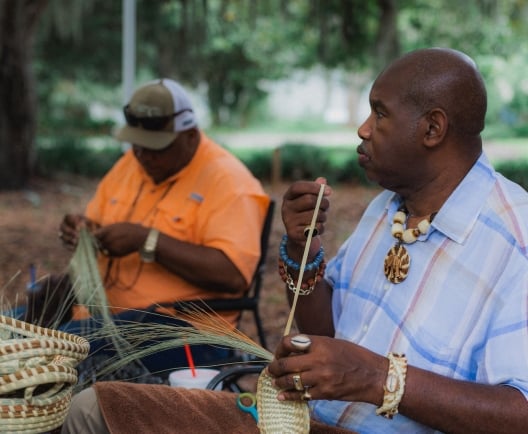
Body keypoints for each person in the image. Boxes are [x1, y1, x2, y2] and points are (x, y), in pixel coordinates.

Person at [61, 48, 528, 433]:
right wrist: (302, 253)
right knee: (91, 410)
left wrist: (376, 377)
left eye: (380, 113)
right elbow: (323, 331)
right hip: (296, 420)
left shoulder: (515, 240)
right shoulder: (389, 204)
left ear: (433, 128)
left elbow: (519, 411)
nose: (363, 129)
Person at [51, 78, 270, 374]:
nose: (143, 155)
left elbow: (232, 276)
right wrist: (82, 230)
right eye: (137, 145)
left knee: (53, 350)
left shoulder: (228, 182)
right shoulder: (132, 162)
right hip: (100, 318)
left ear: (190, 136)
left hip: (185, 332)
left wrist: (148, 241)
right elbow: (95, 222)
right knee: (13, 332)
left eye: (156, 147)